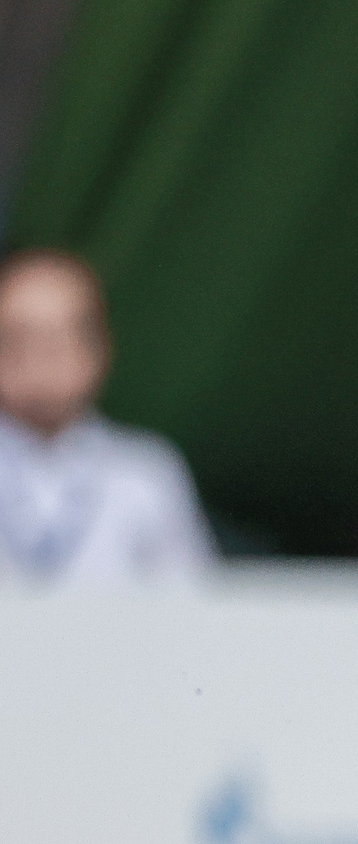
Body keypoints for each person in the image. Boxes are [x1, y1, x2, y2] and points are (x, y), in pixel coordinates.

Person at [0, 247, 214, 588]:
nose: (40, 357)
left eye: (60, 336)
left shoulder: (145, 473)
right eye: (20, 337)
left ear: (99, 347)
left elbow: (191, 600)